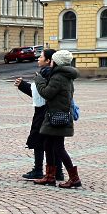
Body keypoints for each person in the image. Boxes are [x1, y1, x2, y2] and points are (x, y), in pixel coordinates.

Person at [32, 49, 82, 188]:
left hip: (57, 117)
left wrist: (39, 80)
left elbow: (47, 93)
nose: (51, 62)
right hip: (55, 115)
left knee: (59, 148)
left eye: (52, 60)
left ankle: (74, 178)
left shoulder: (58, 77)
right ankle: (50, 176)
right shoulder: (64, 75)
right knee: (48, 144)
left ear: (56, 62)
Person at [14, 48, 63, 181]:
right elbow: (41, 93)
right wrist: (23, 86)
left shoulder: (46, 74)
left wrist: (27, 84)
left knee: (39, 140)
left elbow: (43, 94)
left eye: (41, 57)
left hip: (44, 112)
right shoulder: (51, 73)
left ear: (48, 61)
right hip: (50, 110)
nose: (38, 58)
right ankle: (57, 172)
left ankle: (39, 170)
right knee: (52, 142)